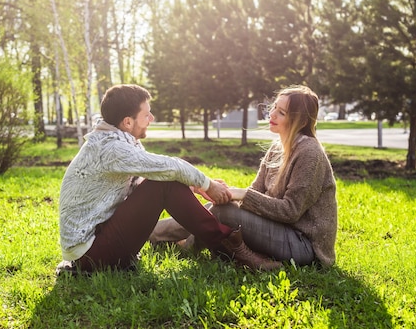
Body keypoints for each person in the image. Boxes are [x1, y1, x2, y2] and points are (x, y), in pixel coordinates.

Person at [57, 84, 282, 274]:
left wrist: (196, 186)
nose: (151, 118)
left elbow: (143, 179)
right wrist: (208, 185)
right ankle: (233, 251)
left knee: (165, 181)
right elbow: (170, 166)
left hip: (96, 241)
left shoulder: (116, 139)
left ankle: (229, 248)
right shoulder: (111, 147)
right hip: (91, 255)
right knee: (165, 184)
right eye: (146, 115)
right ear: (127, 122)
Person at [150, 85, 338, 267]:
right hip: (279, 230)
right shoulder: (277, 148)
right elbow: (256, 193)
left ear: (302, 122)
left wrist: (240, 194)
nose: (271, 114)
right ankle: (151, 232)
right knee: (218, 206)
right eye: (274, 108)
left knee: (223, 212)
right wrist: (226, 194)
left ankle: (184, 245)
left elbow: (290, 211)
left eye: (282, 113)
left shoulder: (310, 153)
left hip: (304, 245)